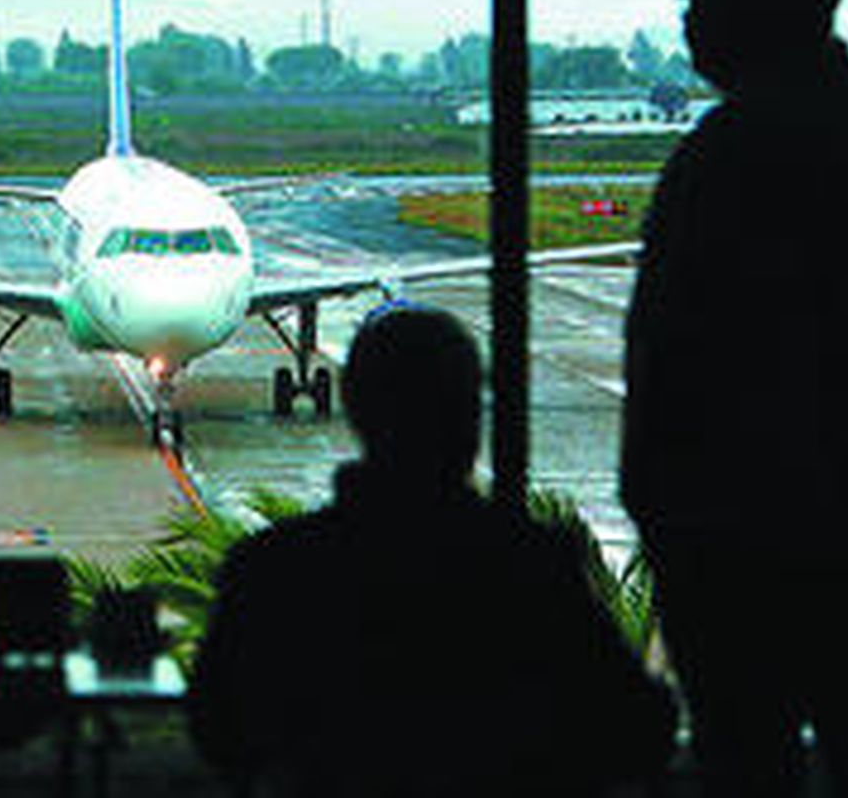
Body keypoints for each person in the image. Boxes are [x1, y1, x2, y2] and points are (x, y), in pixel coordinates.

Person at [620, 0, 848, 798]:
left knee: (745, 756)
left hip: (736, 530)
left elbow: (691, 348)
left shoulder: (735, 149)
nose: (686, 22)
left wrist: (663, 498)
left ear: (755, 7)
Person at [189, 307, 675, 796]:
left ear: (354, 407)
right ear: (470, 418)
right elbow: (638, 730)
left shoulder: (273, 568)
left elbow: (220, 732)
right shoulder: (531, 565)